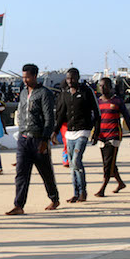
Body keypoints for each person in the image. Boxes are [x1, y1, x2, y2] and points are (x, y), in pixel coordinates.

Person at [6, 64, 60, 215]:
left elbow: (49, 119)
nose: (25, 80)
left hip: (38, 139)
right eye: (23, 77)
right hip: (23, 139)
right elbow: (21, 113)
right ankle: (19, 205)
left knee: (45, 172)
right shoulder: (23, 93)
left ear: (35, 76)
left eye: (27, 77)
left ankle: (54, 198)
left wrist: (45, 140)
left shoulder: (44, 94)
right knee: (21, 173)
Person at [53, 68, 100, 202]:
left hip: (83, 131)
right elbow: (61, 114)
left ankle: (83, 191)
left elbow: (96, 112)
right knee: (72, 165)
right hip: (70, 133)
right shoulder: (65, 93)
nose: (70, 81)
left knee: (76, 161)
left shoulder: (86, 91)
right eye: (68, 79)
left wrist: (96, 132)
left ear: (78, 77)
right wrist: (55, 131)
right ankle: (75, 192)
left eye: (72, 78)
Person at [94, 77, 130, 197]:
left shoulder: (117, 101)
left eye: (105, 86)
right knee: (108, 162)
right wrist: (94, 134)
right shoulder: (98, 102)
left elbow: (127, 117)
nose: (102, 88)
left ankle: (103, 187)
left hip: (114, 136)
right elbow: (95, 119)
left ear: (110, 87)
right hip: (102, 136)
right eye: (100, 86)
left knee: (108, 163)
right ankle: (120, 183)